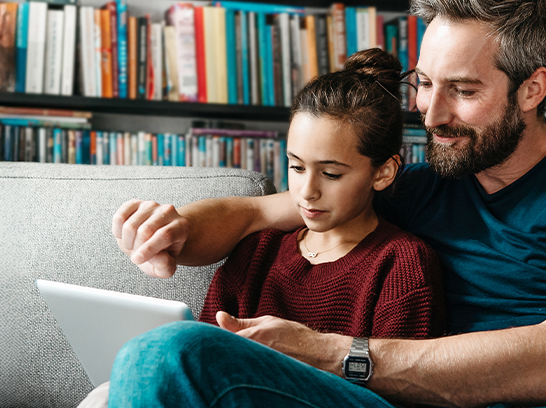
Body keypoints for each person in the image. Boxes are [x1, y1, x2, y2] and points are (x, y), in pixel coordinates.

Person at [110, 0, 546, 406]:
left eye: (462, 90)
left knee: (171, 354)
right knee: (158, 360)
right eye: (423, 83)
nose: (430, 114)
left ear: (532, 90)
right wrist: (174, 230)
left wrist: (330, 351)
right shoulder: (417, 185)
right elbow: (256, 212)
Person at [80, 48, 446, 408]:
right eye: (297, 167)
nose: (307, 191)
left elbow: (401, 389)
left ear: (382, 172)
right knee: (106, 394)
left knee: (160, 354)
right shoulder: (257, 251)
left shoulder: (402, 263)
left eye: (331, 173)